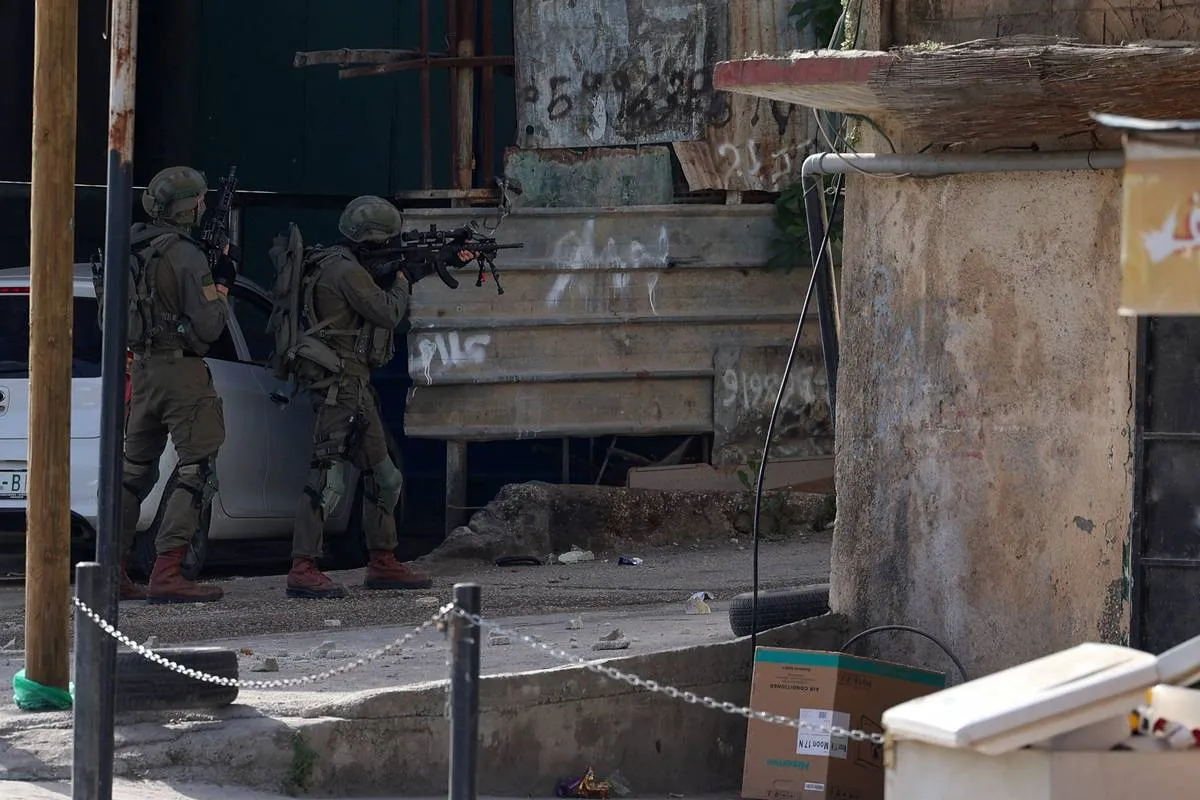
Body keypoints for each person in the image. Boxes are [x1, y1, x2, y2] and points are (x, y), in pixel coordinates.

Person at [285, 195, 475, 599]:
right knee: (328, 477)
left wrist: (438, 261)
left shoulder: (343, 262)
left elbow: (383, 283)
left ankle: (382, 560)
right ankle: (303, 566)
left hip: (356, 386)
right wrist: (406, 280)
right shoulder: (345, 273)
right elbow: (388, 312)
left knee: (386, 477)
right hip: (339, 386)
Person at [117, 165, 237, 603]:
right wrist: (222, 283)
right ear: (189, 209)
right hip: (182, 372)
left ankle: (112, 568)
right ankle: (168, 569)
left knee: (133, 472)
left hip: (142, 370)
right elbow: (209, 324)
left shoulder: (128, 245)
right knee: (197, 467)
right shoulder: (186, 255)